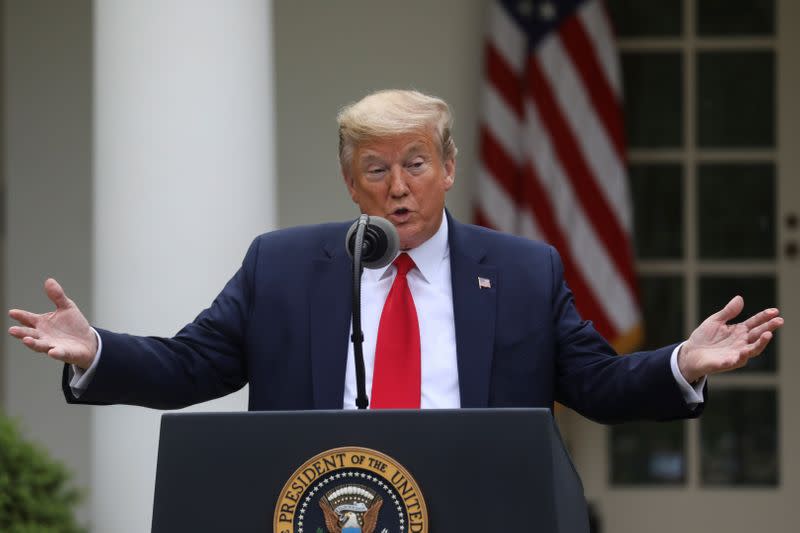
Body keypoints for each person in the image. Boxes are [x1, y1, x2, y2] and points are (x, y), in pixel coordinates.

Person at [7, 90, 783, 420]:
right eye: (375, 169)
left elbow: (596, 381)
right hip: (319, 508)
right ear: (350, 183)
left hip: (480, 508)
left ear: (449, 169)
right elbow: (192, 365)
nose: (397, 187)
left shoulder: (521, 270)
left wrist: (681, 361)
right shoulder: (281, 265)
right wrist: (96, 349)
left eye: (415, 163)